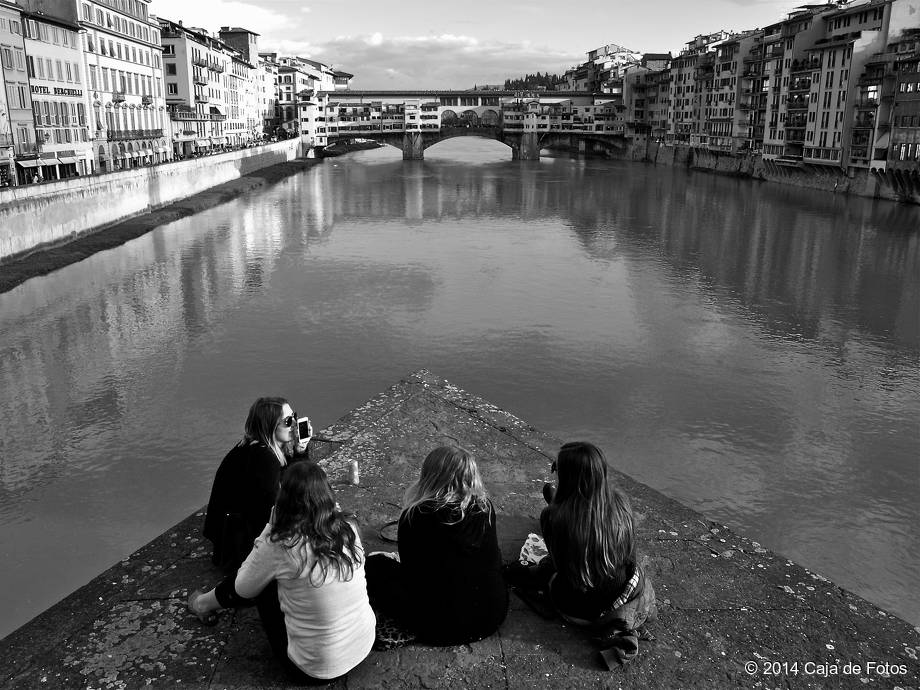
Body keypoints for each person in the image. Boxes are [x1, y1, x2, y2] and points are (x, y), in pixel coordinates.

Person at [189, 462, 375, 684]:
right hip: (362, 645)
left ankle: (202, 604)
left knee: (261, 580)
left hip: (314, 669)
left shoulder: (282, 544)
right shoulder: (348, 527)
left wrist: (270, 529)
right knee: (285, 575)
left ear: (283, 499)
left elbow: (242, 588)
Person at [508, 442, 656, 669]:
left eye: (557, 469)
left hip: (581, 609)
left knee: (541, 574)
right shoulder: (621, 503)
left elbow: (559, 567)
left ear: (566, 476)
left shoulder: (553, 517)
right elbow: (629, 555)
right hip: (625, 593)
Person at [365, 446, 508, 645]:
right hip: (490, 616)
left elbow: (411, 572)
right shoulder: (486, 508)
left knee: (374, 566)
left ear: (429, 477)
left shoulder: (415, 517)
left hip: (438, 625)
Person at [203, 397, 311, 572]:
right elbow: (277, 507)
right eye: (288, 421)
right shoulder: (262, 458)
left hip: (231, 527)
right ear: (269, 426)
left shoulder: (260, 446)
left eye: (294, 417)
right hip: (235, 543)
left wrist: (300, 451)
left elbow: (288, 483)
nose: (294, 425)